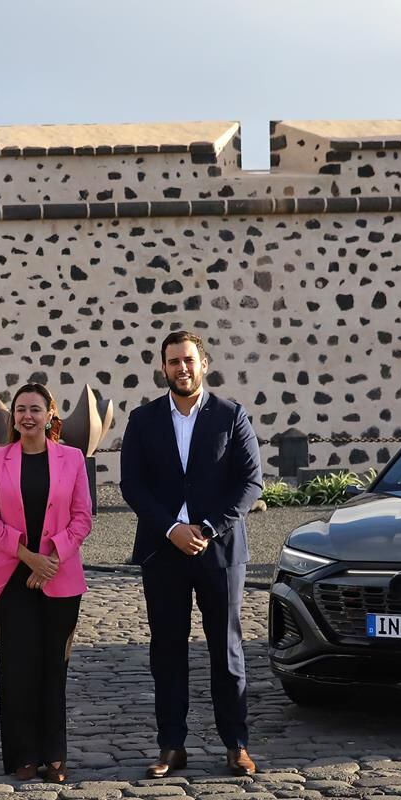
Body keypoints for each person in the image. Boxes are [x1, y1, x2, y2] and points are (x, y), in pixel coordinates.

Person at [119, 329, 265, 777]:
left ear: (204, 363)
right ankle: (171, 746)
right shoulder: (143, 420)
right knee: (167, 650)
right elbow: (133, 485)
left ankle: (236, 745)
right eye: (172, 361)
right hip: (163, 552)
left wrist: (206, 527)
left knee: (226, 649)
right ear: (162, 367)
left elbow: (250, 483)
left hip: (218, 551)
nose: (181, 368)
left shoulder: (231, 415)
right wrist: (170, 529)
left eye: (188, 360)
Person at [0, 382, 93, 783]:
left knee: (53, 667)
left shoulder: (73, 459)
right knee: (18, 667)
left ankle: (55, 754)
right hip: (13, 576)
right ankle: (24, 753)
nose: (28, 416)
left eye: (35, 409)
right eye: (21, 410)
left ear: (50, 415)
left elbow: (83, 518)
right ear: (13, 418)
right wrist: (29, 559)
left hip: (62, 578)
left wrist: (54, 559)